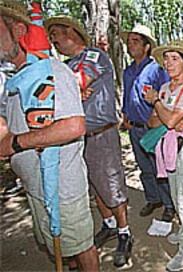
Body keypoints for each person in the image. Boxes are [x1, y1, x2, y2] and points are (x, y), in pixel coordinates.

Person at [0, 1, 99, 270]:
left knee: (81, 247)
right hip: (35, 185)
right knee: (61, 247)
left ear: (19, 29)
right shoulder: (14, 80)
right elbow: (7, 124)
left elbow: (74, 126)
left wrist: (17, 144)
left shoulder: (53, 72)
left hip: (62, 187)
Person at [45, 16, 132, 267]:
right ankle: (110, 225)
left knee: (111, 184)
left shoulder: (95, 56)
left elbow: (75, 84)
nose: (54, 42)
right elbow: (53, 96)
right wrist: (72, 91)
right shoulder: (64, 65)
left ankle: (125, 233)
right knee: (92, 187)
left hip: (101, 134)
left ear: (72, 33)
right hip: (75, 137)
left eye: (56, 36)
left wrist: (73, 90)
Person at [144, 40, 183, 272]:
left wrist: (160, 107)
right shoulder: (164, 88)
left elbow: (168, 120)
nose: (169, 63)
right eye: (166, 58)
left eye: (175, 58)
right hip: (169, 147)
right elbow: (153, 122)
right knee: (178, 195)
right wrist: (167, 113)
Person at [120, 24, 174, 221]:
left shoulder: (157, 69)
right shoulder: (128, 71)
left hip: (154, 128)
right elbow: (127, 95)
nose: (130, 45)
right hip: (134, 128)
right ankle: (153, 199)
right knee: (144, 167)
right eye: (129, 42)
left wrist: (158, 118)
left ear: (146, 46)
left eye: (135, 41)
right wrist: (125, 115)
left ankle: (169, 204)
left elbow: (167, 94)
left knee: (161, 167)